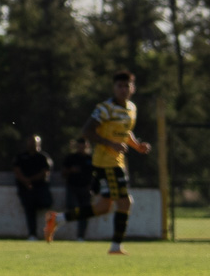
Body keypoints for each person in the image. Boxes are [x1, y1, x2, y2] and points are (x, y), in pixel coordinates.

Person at [46, 70, 149, 253]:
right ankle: (116, 246)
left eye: (127, 86)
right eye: (120, 86)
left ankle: (57, 219)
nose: (123, 89)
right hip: (106, 162)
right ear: (114, 87)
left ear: (133, 88)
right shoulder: (105, 108)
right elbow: (87, 131)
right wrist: (110, 144)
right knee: (125, 203)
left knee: (103, 207)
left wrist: (137, 146)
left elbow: (125, 132)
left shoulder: (131, 108)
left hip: (117, 162)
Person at [12, 134, 54, 241]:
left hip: (40, 187)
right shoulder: (21, 157)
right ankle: (32, 234)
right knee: (29, 210)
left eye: (34, 142)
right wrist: (26, 182)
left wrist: (31, 180)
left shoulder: (43, 157)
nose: (32, 144)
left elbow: (45, 172)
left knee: (46, 203)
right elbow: (17, 171)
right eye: (30, 142)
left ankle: (49, 229)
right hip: (25, 188)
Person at [59, 136, 93, 241]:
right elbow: (63, 172)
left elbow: (95, 175)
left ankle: (80, 236)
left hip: (86, 189)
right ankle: (60, 220)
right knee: (72, 207)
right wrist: (71, 171)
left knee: (85, 212)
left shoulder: (90, 159)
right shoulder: (71, 158)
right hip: (73, 187)